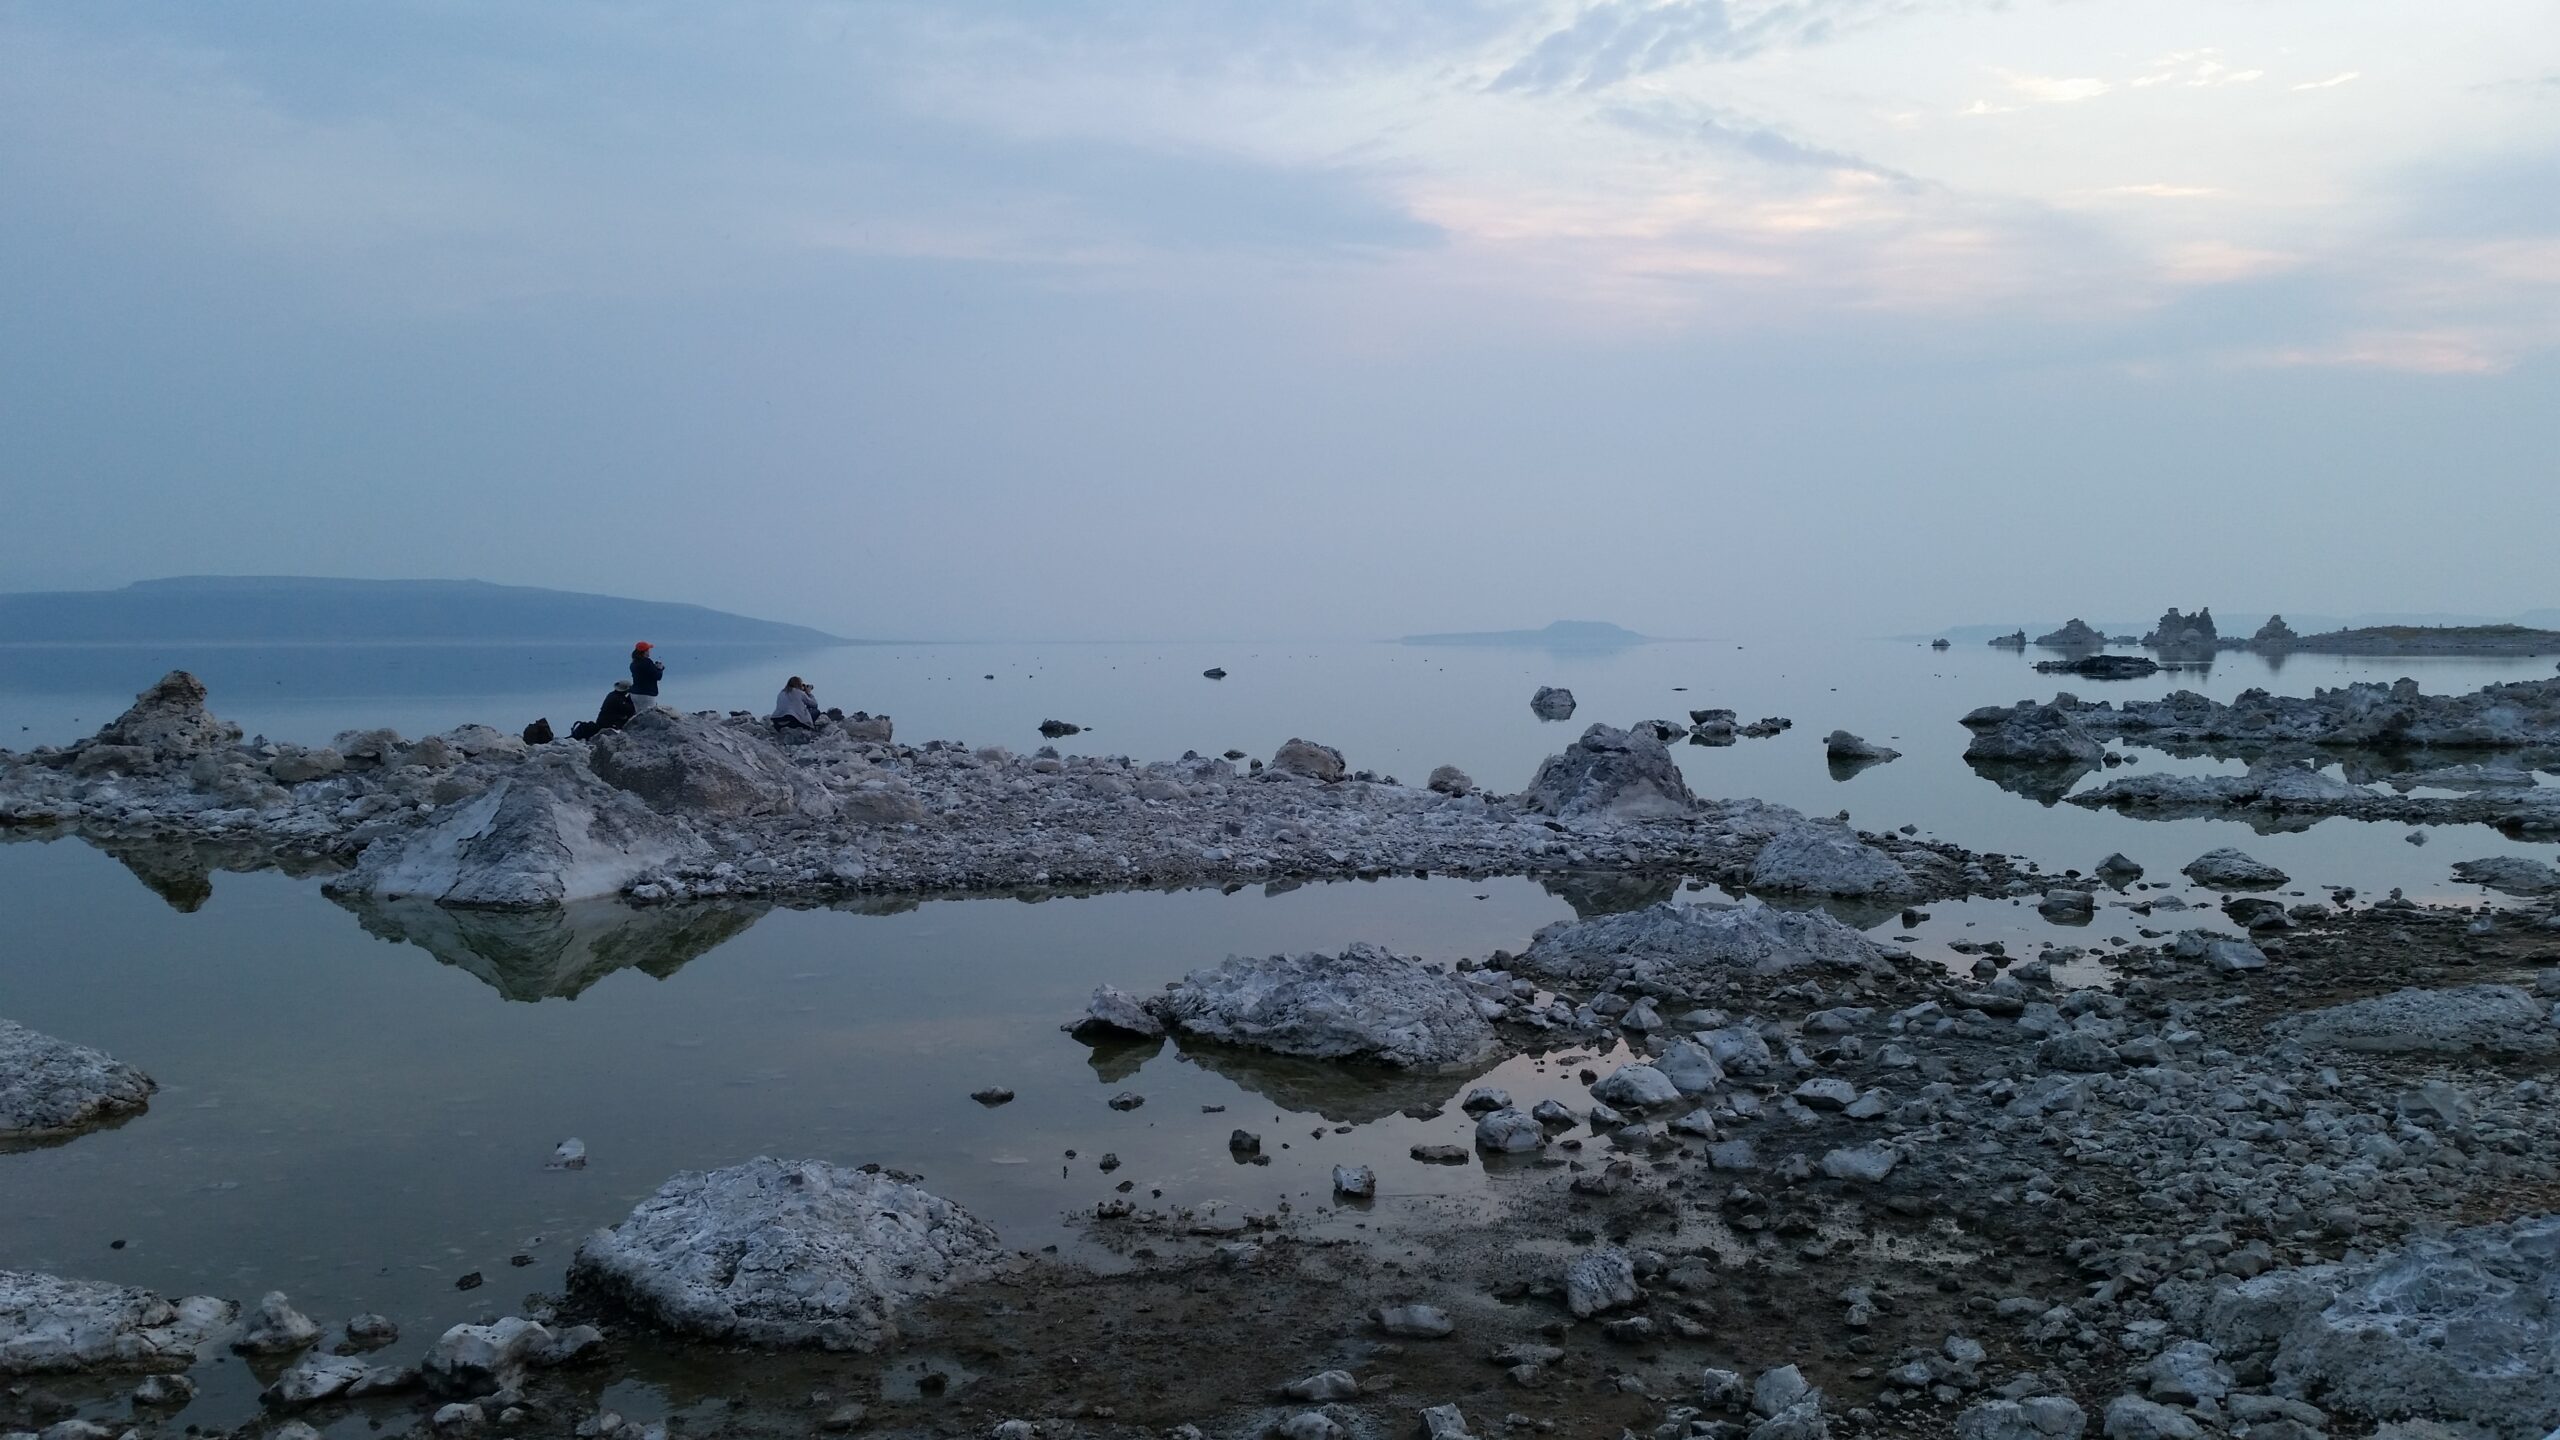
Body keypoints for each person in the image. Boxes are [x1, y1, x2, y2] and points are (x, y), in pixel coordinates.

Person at [570, 681, 638, 741]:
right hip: (608, 724)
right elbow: (629, 709)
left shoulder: (613, 695)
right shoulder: (618, 699)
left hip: (603, 722)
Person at [629, 641, 664, 711]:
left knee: (639, 715)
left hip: (634, 693)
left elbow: (645, 673)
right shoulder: (647, 662)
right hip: (646, 694)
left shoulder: (634, 663)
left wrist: (654, 668)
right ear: (644, 652)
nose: (649, 652)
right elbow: (658, 676)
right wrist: (660, 669)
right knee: (650, 716)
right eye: (648, 650)